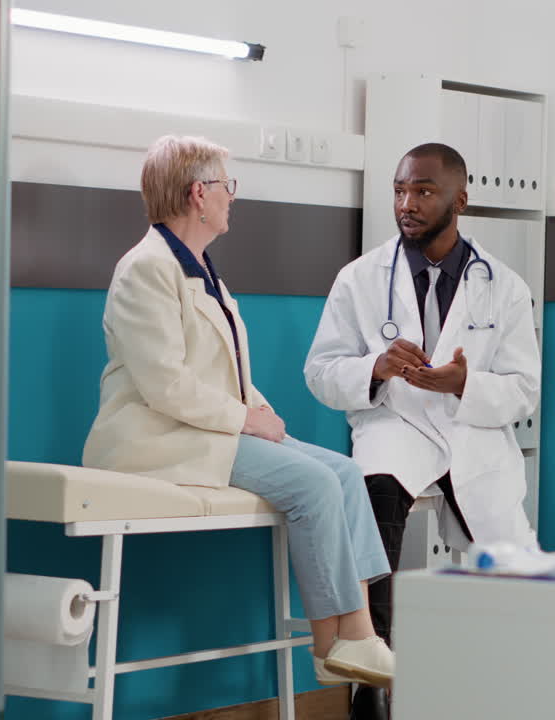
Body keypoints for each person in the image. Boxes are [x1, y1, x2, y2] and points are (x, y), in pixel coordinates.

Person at [82, 135, 394, 689]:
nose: (233, 197)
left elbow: (228, 372)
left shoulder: (201, 272)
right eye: (227, 185)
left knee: (346, 473)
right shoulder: (145, 270)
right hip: (159, 436)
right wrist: (249, 421)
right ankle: (333, 645)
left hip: (208, 428)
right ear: (198, 193)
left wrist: (265, 415)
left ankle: (358, 636)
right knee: (314, 484)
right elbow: (166, 385)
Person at [305, 142, 539, 645]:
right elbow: (320, 372)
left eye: (424, 192)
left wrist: (465, 384)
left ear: (460, 201)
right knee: (375, 503)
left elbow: (524, 390)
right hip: (396, 423)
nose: (407, 204)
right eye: (399, 191)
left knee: (514, 570)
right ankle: (372, 665)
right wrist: (375, 368)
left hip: (471, 432)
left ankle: (510, 667)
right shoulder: (359, 279)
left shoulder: (504, 286)